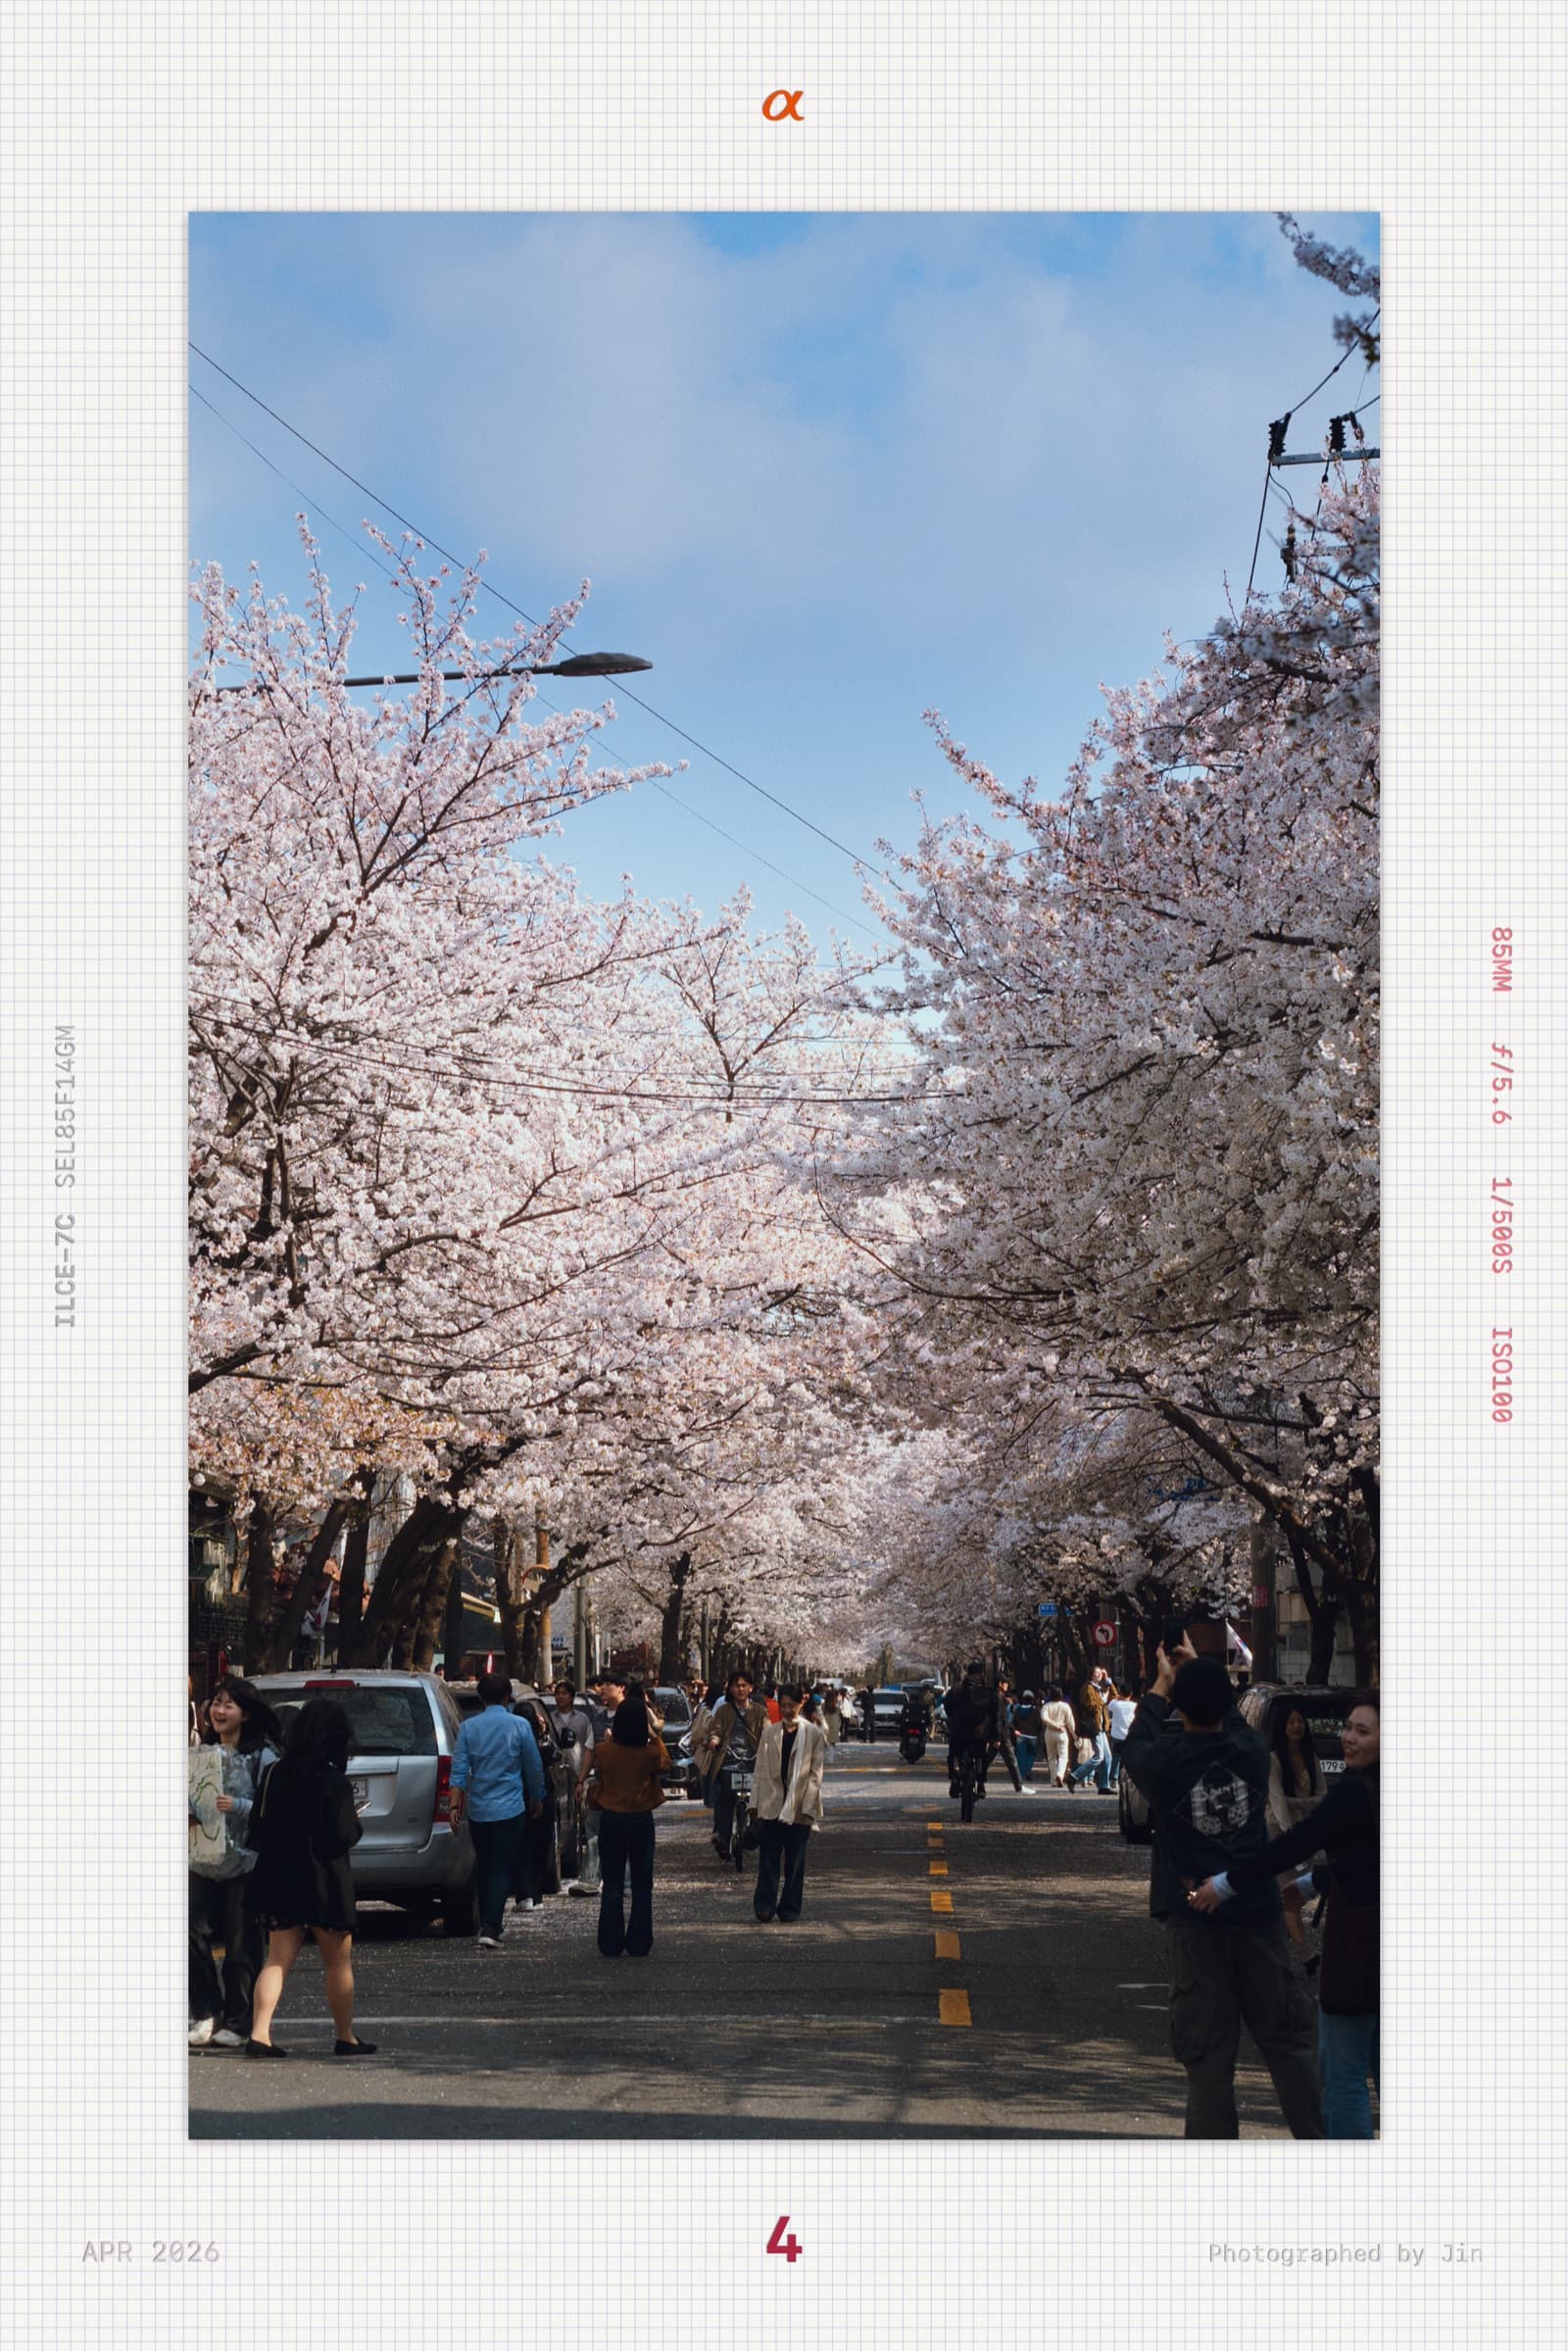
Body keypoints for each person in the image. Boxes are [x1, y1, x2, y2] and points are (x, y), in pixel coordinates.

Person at [1122, 1646, 1322, 2138]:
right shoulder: (1253, 1754)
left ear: (1181, 1709)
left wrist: (1159, 1687)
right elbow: (1233, 1717)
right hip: (1258, 1917)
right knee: (1290, 2047)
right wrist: (1200, 1670)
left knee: (1209, 2060)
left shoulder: (1165, 1765)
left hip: (1195, 1927)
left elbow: (1135, 1746)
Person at [1190, 1690, 1380, 2138]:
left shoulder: (1354, 1791)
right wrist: (1317, 1882)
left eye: (1363, 1731)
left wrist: (1226, 1883)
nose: (1348, 1738)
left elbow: (1296, 1843)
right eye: (1348, 1727)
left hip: (1359, 1950)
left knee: (1344, 2074)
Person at [246, 1698, 375, 2059]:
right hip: (325, 1880)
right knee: (337, 1963)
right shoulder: (334, 1781)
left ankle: (259, 2033)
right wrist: (356, 1821)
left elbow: (257, 1826)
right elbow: (342, 1835)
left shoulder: (275, 1773)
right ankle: (345, 2036)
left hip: (279, 1875)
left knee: (276, 1960)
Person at [188, 1675, 283, 2049]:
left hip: (247, 1863)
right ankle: (205, 2011)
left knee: (241, 1942)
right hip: (201, 1860)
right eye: (215, 1702)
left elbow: (273, 1807)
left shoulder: (265, 1756)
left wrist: (239, 1805)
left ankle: (240, 2019)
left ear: (246, 1713)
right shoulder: (199, 1753)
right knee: (187, 1929)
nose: (218, 1710)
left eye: (228, 1704)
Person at [447, 1671, 545, 1945]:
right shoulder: (520, 1726)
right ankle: (491, 1927)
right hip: (510, 1807)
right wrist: (537, 1796)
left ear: (480, 1698)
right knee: (501, 1867)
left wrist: (454, 1806)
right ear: (507, 1697)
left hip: (478, 1808)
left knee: (486, 1865)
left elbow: (459, 1770)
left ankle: (488, 1924)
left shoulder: (469, 1727)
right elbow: (533, 1766)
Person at [584, 1684, 668, 1958]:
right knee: (643, 1884)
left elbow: (601, 1767)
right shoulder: (650, 1753)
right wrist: (655, 1736)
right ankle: (639, 1942)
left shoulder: (605, 1750)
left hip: (612, 1818)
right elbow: (665, 1764)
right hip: (641, 1818)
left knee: (613, 1883)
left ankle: (609, 1942)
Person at [752, 1686, 828, 1922]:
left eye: (791, 1706)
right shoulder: (770, 1733)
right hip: (772, 1803)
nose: (786, 1710)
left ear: (800, 1704)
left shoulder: (814, 1734)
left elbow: (816, 1774)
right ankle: (765, 1906)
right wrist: (754, 1803)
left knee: (795, 1862)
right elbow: (760, 1769)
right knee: (768, 1858)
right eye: (783, 1705)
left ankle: (790, 1908)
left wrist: (808, 1804)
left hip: (799, 1805)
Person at [698, 1671, 768, 1856]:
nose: (741, 1689)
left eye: (744, 1685)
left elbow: (767, 1730)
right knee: (724, 1798)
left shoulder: (759, 1711)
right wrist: (714, 1740)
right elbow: (716, 1730)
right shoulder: (724, 1710)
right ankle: (724, 1836)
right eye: (737, 1685)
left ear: (751, 1688)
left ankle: (753, 1832)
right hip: (729, 1759)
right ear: (730, 1688)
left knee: (758, 1798)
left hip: (753, 1760)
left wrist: (769, 1743)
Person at [568, 1671, 624, 1898]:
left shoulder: (632, 1713)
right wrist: (581, 1780)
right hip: (602, 1781)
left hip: (626, 1783)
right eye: (601, 1684)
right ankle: (590, 1878)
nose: (602, 1688)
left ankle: (627, 1880)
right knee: (592, 1826)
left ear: (621, 1687)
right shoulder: (599, 1718)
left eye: (608, 1684)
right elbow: (589, 1751)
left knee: (623, 1831)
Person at [943, 1662, 1002, 1799]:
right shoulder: (988, 1693)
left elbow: (948, 1710)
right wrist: (996, 1737)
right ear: (980, 1675)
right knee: (980, 1757)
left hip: (958, 1732)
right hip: (978, 1733)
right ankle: (981, 1785)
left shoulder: (954, 1691)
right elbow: (995, 1716)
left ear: (967, 1674)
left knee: (954, 1754)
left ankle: (954, 1777)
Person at [1069, 1666, 1116, 1792]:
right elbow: (1088, 1706)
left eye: (1101, 1673)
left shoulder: (1100, 1689)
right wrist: (1102, 1701)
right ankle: (1074, 1776)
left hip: (1102, 1727)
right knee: (1099, 1756)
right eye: (1097, 1673)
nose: (1099, 1675)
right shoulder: (1087, 1688)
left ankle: (1104, 1786)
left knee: (1108, 1757)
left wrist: (1108, 1681)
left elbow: (1114, 1695)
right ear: (1091, 1674)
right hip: (1094, 1726)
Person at [1041, 1685, 1076, 1788]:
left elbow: (1044, 1718)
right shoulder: (1065, 1706)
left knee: (1051, 1757)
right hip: (1062, 1732)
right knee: (1063, 1756)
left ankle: (1053, 1779)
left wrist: (1055, 1725)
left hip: (1050, 1732)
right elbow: (1071, 1722)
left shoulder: (1046, 1706)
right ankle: (1060, 1775)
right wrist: (1073, 1733)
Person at [1106, 1683, 1139, 1788]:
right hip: (1130, 1736)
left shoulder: (1115, 1704)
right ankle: (1131, 1778)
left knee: (1115, 1759)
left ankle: (1113, 1780)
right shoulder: (1135, 1705)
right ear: (1131, 1694)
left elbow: (1109, 1707)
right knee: (1130, 1758)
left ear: (1120, 1693)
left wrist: (1117, 1698)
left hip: (1117, 1736)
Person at [1010, 1690, 1044, 1783]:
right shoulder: (1036, 1710)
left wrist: (1015, 1731)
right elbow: (1039, 1724)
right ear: (1032, 1700)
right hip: (1033, 1736)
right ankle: (1028, 1770)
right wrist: (1039, 1732)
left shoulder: (1017, 1710)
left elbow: (1013, 1723)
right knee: (1031, 1754)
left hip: (1021, 1735)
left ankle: (1021, 1774)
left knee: (1021, 1755)